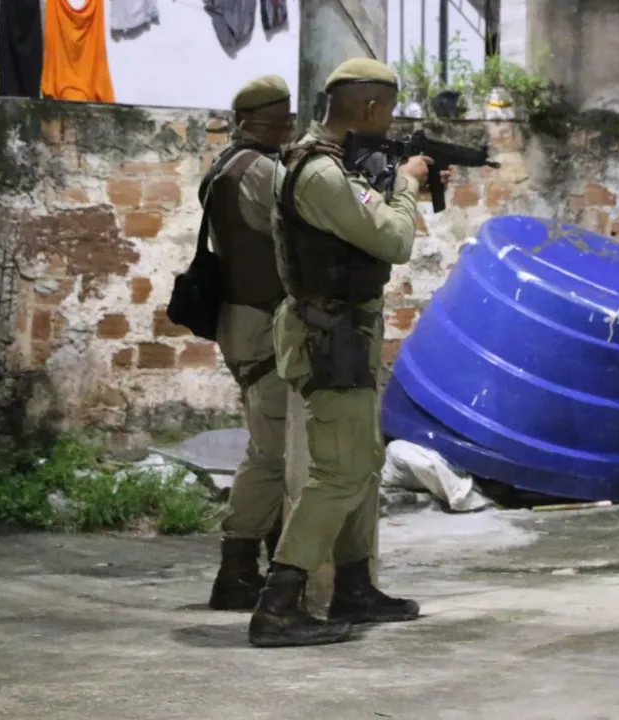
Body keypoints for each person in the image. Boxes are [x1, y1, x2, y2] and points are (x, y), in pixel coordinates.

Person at [248, 58, 442, 648]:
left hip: (343, 332)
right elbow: (395, 239)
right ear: (371, 110)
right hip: (328, 336)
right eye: (387, 110)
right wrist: (407, 184)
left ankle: (354, 587)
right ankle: (278, 604)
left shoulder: (322, 164)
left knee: (363, 461)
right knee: (338, 471)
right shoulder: (320, 174)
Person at [205, 75, 295, 611]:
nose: (290, 125)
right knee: (272, 452)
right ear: (262, 119)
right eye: (283, 117)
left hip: (244, 319)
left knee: (275, 446)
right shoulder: (258, 171)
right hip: (260, 323)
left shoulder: (226, 165)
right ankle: (237, 569)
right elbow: (303, 222)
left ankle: (266, 556)